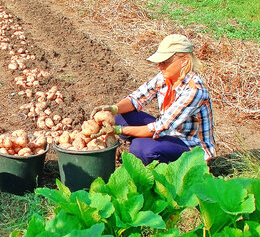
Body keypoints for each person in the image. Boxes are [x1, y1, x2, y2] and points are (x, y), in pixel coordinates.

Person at [91, 34, 215, 165]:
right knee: (118, 116)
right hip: (169, 132)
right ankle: (149, 146)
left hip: (190, 147)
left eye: (165, 62)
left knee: (140, 147)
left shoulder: (194, 91)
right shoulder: (165, 77)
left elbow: (160, 128)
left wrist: (118, 130)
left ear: (184, 61)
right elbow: (136, 99)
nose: (160, 66)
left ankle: (167, 170)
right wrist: (112, 109)